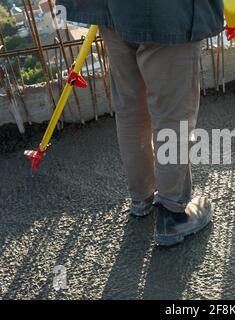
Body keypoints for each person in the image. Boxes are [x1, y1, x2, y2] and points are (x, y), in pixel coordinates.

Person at [57, 0, 224, 246]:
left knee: (130, 109)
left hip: (116, 11)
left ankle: (141, 197)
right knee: (172, 116)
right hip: (171, 14)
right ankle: (173, 214)